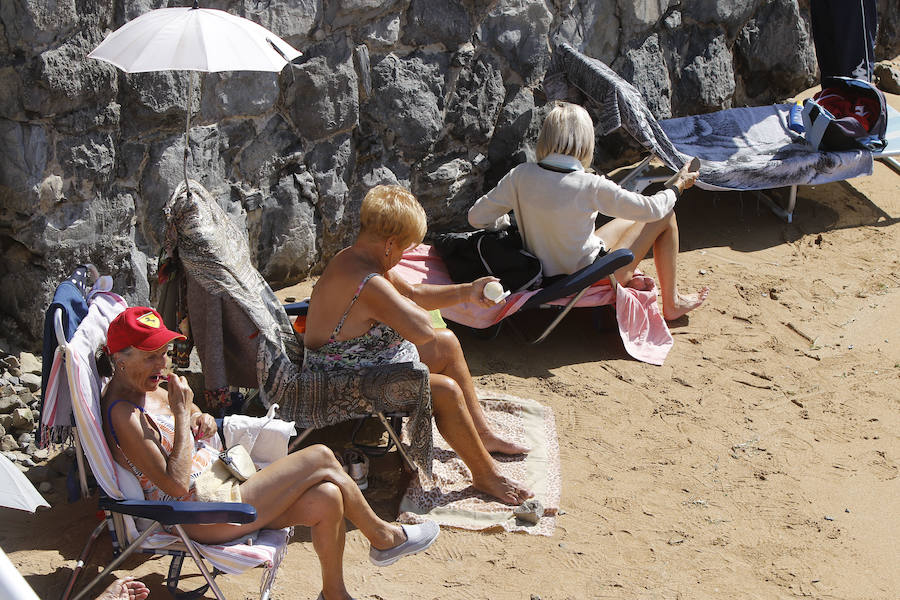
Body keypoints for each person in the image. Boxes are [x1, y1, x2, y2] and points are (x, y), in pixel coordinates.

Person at [98, 306, 439, 600]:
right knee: (319, 454)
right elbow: (174, 485)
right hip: (198, 512)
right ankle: (384, 537)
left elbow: (186, 430)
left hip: (224, 485)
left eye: (164, 352)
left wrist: (200, 420)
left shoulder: (151, 388)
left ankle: (334, 594)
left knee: (327, 497)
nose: (162, 364)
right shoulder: (123, 414)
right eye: (150, 356)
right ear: (120, 359)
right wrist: (181, 413)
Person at [303, 185, 533, 505]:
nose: (404, 256)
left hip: (355, 360)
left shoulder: (355, 258)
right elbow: (422, 329)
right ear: (389, 244)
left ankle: (481, 434)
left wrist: (468, 291)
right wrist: (397, 307)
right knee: (445, 391)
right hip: (338, 381)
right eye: (405, 249)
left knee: (448, 344)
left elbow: (413, 294)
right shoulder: (368, 284)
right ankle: (485, 475)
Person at [468, 101, 708, 321]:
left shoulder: (520, 175)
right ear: (586, 141)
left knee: (628, 218)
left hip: (541, 273)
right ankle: (672, 302)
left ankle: (672, 299)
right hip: (587, 278)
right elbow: (654, 209)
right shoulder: (590, 185)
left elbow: (476, 217)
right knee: (665, 214)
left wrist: (504, 222)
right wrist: (678, 185)